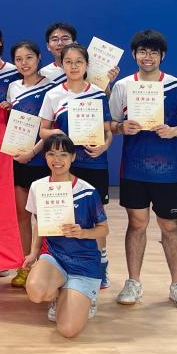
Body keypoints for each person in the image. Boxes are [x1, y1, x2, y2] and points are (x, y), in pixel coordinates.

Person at [108, 29, 177, 312]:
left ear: (162, 56)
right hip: (133, 169)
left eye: (153, 52)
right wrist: (121, 127)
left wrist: (173, 131)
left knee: (170, 226)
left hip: (167, 171)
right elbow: (111, 123)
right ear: (134, 55)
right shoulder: (123, 86)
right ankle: (133, 282)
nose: (147, 57)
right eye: (142, 52)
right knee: (136, 224)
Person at [38, 43, 113, 288]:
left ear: (86, 65)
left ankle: (100, 264)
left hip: (94, 163)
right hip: (62, 165)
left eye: (78, 62)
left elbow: (107, 130)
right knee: (62, 217)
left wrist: (104, 146)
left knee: (94, 218)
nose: (73, 66)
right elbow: (42, 130)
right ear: (61, 65)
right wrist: (56, 132)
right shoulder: (53, 94)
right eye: (68, 62)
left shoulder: (98, 94)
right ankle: (61, 266)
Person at [22, 134, 109, 338]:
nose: (57, 160)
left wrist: (83, 232)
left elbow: (103, 229)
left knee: (67, 330)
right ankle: (59, 291)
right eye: (51, 154)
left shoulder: (87, 191)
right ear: (45, 157)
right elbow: (39, 223)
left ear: (73, 157)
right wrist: (33, 252)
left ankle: (83, 295)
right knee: (35, 291)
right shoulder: (38, 187)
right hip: (54, 257)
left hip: (83, 262)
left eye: (63, 154)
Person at [1, 40, 59, 289]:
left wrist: (33, 152)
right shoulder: (13, 87)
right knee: (22, 215)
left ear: (38, 58)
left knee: (44, 217)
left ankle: (48, 268)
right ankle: (24, 267)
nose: (24, 63)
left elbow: (51, 128)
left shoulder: (51, 87)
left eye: (29, 58)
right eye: (19, 59)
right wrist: (5, 108)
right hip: (18, 158)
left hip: (41, 158)